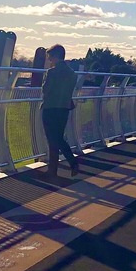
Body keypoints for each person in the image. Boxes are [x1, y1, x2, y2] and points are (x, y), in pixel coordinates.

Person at [40, 44, 80, 181]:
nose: (49, 60)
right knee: (58, 137)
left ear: (55, 56)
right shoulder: (72, 74)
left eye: (50, 57)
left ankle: (54, 170)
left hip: (50, 107)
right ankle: (71, 163)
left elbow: (45, 90)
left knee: (52, 139)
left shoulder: (51, 72)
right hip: (64, 107)